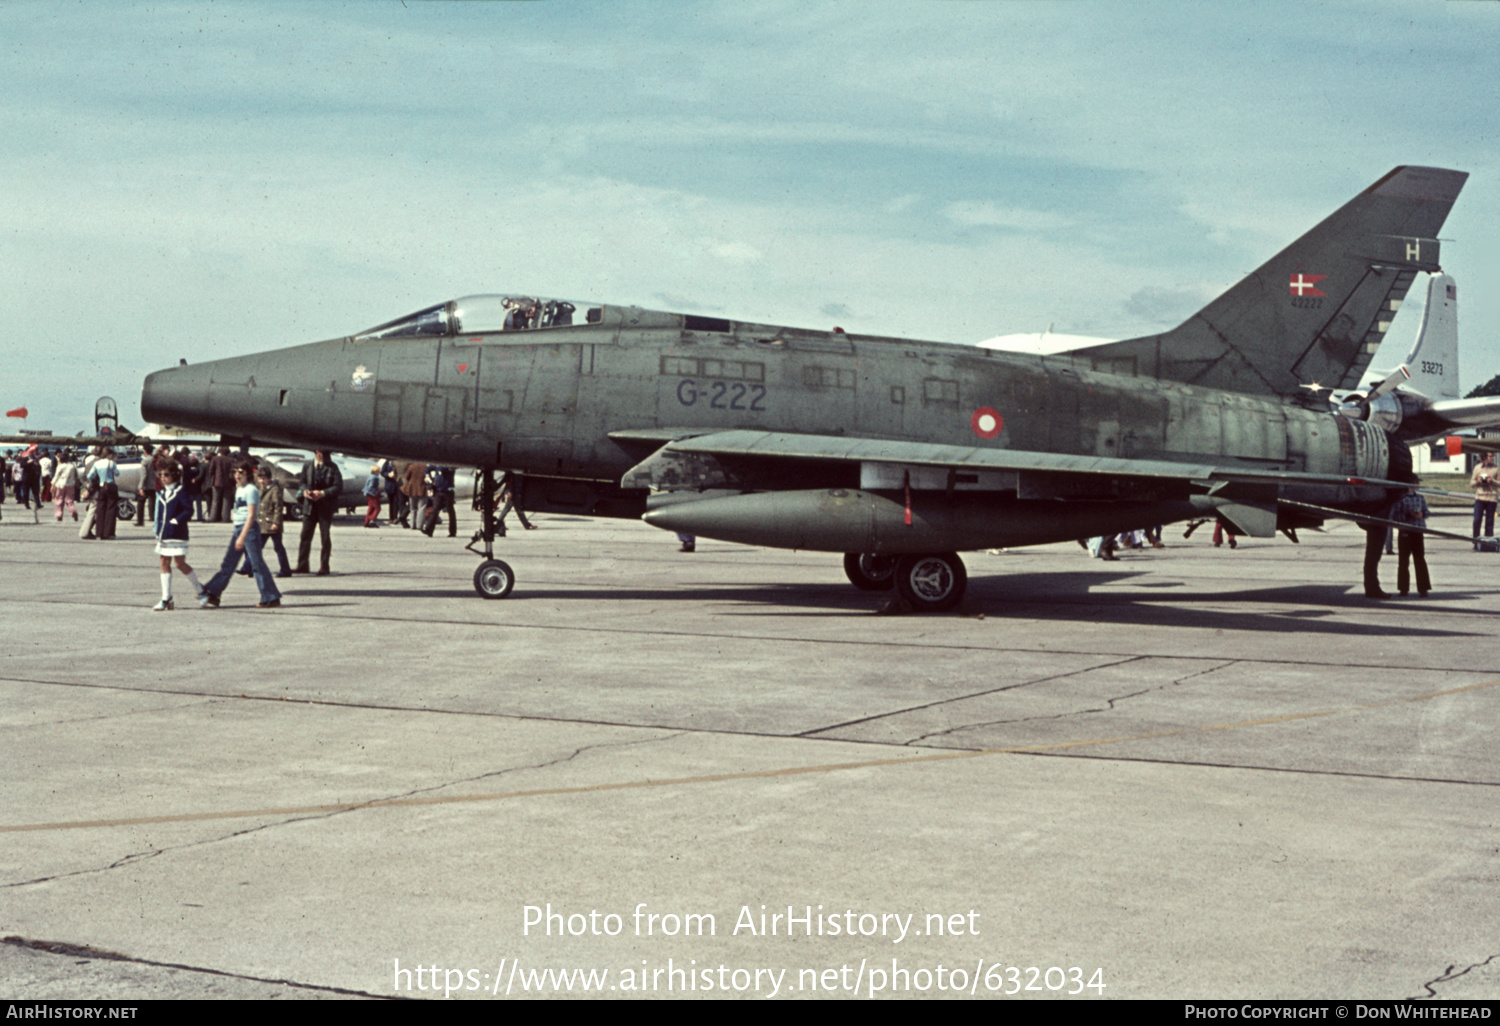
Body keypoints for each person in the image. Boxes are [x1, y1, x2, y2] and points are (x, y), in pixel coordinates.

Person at [199, 463, 282, 608]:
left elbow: (251, 516)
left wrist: (242, 537)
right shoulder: (239, 489)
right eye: (235, 471)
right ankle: (214, 593)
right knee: (229, 563)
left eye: (241, 472)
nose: (237, 474)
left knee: (257, 564)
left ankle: (271, 596)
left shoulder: (251, 490)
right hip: (239, 529)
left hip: (248, 530)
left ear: (248, 474)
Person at [151, 459, 205, 610]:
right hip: (164, 534)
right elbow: (159, 513)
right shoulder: (161, 493)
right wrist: (157, 528)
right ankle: (166, 598)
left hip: (177, 534)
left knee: (180, 564)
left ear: (174, 475)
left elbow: (189, 510)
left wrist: (176, 520)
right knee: (163, 562)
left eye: (166, 474)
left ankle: (200, 590)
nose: (162, 477)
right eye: (160, 474)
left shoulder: (181, 491)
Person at [295, 449, 343, 575]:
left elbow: (338, 486)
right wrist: (305, 491)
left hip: (325, 508)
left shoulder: (332, 467)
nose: (323, 457)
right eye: (321, 454)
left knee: (325, 537)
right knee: (305, 536)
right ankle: (302, 565)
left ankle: (324, 566)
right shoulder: (308, 466)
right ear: (316, 452)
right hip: (309, 507)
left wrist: (322, 493)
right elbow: (302, 482)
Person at [1393, 486, 1431, 597]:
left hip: (1418, 531)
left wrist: (1422, 515)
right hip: (1405, 532)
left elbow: (1427, 512)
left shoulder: (1420, 498)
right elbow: (1395, 516)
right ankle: (1403, 588)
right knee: (1403, 561)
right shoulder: (1401, 499)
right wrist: (1408, 515)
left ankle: (1423, 588)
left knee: (1420, 559)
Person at [90, 447, 121, 539]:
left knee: (100, 510)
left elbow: (90, 475)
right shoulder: (111, 463)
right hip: (111, 486)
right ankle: (108, 533)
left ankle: (99, 533)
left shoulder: (97, 463)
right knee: (111, 509)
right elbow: (117, 474)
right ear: (109, 455)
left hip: (101, 487)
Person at [1472, 452, 1499, 548]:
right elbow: (1472, 483)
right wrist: (1477, 481)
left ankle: (1488, 544)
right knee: (1477, 520)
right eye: (1491, 456)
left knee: (1489, 522)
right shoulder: (1477, 468)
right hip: (1480, 497)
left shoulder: (1496, 468)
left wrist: (1492, 481)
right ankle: (1475, 541)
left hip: (1491, 497)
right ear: (1485, 456)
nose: (1493, 457)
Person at [422, 465, 456, 537]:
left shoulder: (449, 465)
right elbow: (428, 468)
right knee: (434, 510)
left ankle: (453, 531)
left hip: (448, 491)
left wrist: (438, 464)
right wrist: (427, 476)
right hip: (438, 491)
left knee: (450, 512)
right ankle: (429, 530)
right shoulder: (439, 465)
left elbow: (444, 469)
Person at [51, 451, 80, 521]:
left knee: (59, 499)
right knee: (70, 500)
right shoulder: (72, 466)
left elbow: (56, 476)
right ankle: (73, 511)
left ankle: (59, 514)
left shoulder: (60, 467)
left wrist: (52, 485)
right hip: (70, 484)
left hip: (60, 484)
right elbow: (76, 476)